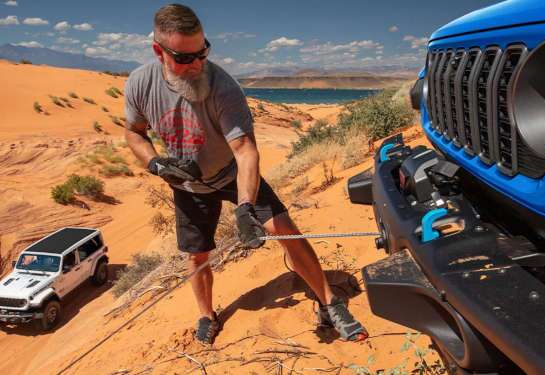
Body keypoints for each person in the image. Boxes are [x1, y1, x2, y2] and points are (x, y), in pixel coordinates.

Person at [124, 3, 367, 345]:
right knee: (196, 256)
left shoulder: (223, 86)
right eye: (183, 58)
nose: (196, 64)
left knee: (286, 232)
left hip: (232, 173)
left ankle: (330, 302)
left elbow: (245, 151)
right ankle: (207, 314)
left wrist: (245, 207)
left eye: (202, 52)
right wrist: (154, 163)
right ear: (158, 51)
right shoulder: (139, 84)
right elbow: (134, 132)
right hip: (188, 184)